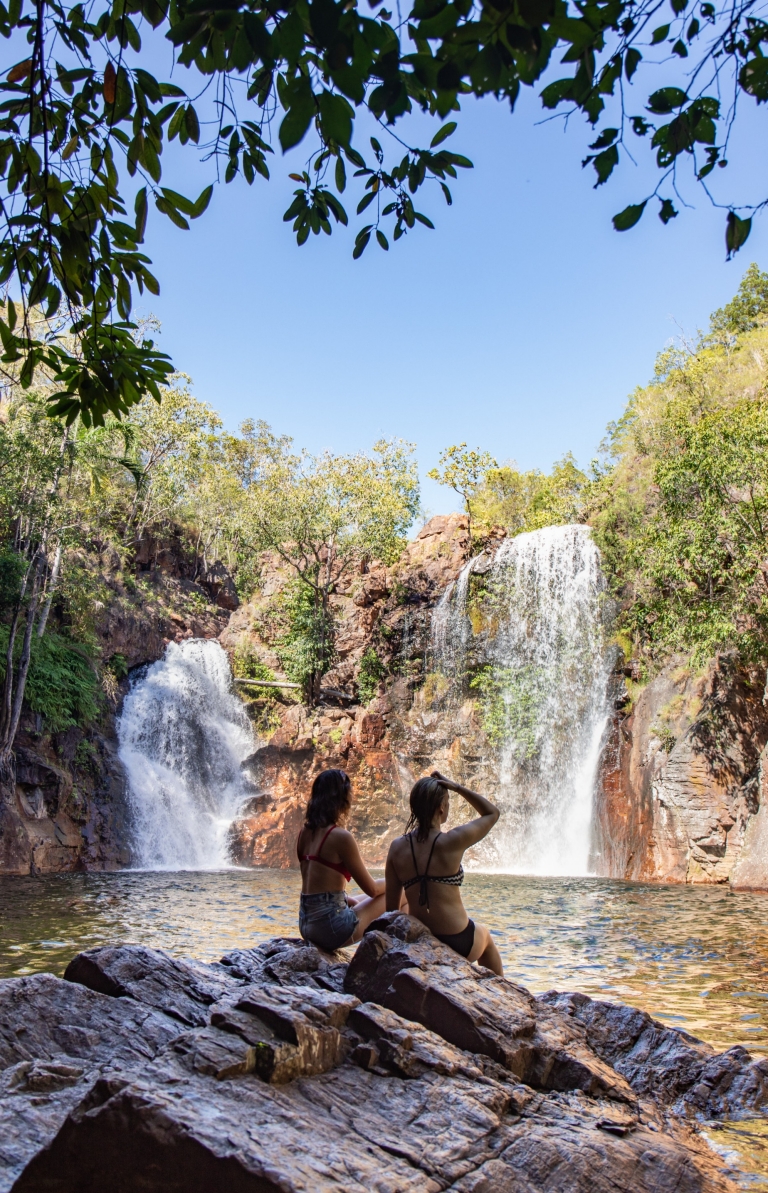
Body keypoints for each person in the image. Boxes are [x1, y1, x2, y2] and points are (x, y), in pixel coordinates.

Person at [385, 770, 504, 975]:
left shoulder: (397, 848)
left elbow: (391, 911)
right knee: (486, 937)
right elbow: (492, 813)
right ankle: (505, 998)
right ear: (441, 807)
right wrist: (456, 787)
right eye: (447, 801)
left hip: (421, 940)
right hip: (459, 941)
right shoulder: (453, 840)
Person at [297, 768, 388, 952]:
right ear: (341, 799)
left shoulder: (304, 833)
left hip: (306, 925)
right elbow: (372, 889)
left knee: (360, 900)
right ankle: (396, 954)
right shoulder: (341, 837)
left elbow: (318, 887)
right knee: (400, 892)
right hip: (330, 930)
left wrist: (345, 899)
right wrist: (399, 879)